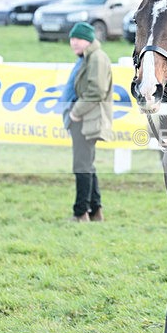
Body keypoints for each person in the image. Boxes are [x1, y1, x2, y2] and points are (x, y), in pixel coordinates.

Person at [64, 22, 113, 222]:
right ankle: (95, 212)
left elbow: (96, 91)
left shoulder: (96, 58)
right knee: (87, 165)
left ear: (89, 40)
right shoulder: (89, 57)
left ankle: (80, 213)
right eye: (72, 38)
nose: (73, 42)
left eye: (78, 39)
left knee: (81, 166)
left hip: (86, 119)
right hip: (85, 118)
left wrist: (75, 112)